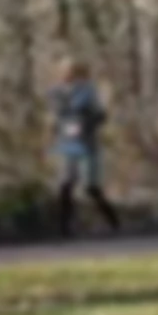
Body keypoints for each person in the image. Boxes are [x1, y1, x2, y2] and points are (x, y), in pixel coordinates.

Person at [47, 60, 120, 236]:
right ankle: (64, 228)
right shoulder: (55, 93)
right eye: (65, 71)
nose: (68, 75)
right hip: (67, 143)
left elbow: (101, 116)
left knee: (91, 187)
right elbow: (55, 117)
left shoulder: (88, 91)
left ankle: (114, 222)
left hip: (87, 143)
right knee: (66, 184)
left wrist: (87, 122)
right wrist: (56, 131)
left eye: (72, 72)